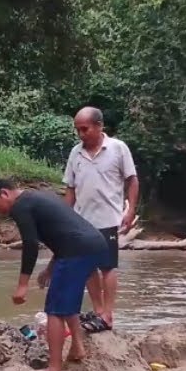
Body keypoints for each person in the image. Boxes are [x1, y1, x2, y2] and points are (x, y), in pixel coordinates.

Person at [0, 178, 107, 371]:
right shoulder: (40, 196)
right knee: (66, 302)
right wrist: (50, 269)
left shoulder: (20, 206)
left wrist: (22, 285)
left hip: (76, 250)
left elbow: (30, 245)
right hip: (93, 243)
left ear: (4, 193)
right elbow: (62, 233)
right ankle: (77, 347)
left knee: (55, 311)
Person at [63, 106, 139, 329]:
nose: (81, 134)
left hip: (108, 219)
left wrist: (131, 209)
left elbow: (132, 180)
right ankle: (97, 310)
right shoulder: (75, 153)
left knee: (107, 266)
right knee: (87, 267)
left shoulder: (117, 148)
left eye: (85, 129)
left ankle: (108, 314)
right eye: (77, 130)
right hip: (81, 220)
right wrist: (66, 219)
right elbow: (70, 188)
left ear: (99, 126)